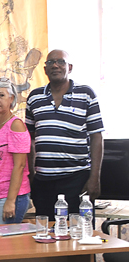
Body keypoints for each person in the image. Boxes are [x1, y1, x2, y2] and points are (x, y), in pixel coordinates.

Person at [26, 50, 103, 219]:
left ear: (70, 67)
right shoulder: (34, 97)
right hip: (43, 181)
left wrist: (94, 178)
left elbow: (97, 137)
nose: (55, 65)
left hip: (77, 179)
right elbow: (29, 139)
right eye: (50, 62)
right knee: (46, 234)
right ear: (45, 69)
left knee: (79, 234)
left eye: (60, 62)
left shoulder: (86, 94)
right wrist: (31, 175)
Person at [0, 78, 31, 224]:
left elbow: (20, 165)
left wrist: (11, 201)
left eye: (1, 95)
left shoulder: (16, 125)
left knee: (3, 244)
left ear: (11, 98)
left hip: (10, 195)